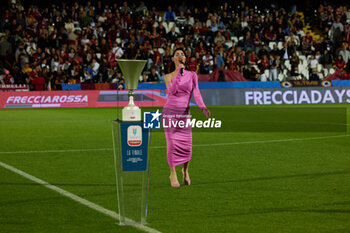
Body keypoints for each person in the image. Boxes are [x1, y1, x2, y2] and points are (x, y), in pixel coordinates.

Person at [163, 48, 210, 187]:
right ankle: (172, 173)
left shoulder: (192, 75)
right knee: (172, 144)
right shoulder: (168, 76)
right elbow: (172, 90)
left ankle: (185, 170)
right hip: (170, 112)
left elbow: (197, 93)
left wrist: (203, 107)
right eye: (177, 54)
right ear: (173, 59)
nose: (180, 56)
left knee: (187, 146)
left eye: (182, 54)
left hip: (184, 114)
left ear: (185, 58)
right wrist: (179, 74)